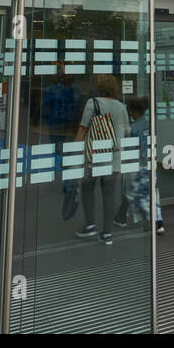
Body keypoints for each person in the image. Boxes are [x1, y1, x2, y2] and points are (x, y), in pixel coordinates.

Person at [74, 73, 130, 246]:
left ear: (100, 87)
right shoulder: (121, 106)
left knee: (87, 187)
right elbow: (127, 131)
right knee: (109, 195)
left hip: (95, 156)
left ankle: (90, 224)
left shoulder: (93, 103)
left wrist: (74, 151)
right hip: (115, 157)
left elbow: (83, 129)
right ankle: (107, 234)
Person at [116, 97, 164, 234]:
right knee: (153, 193)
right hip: (149, 164)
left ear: (131, 111)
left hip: (136, 166)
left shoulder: (131, 128)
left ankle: (151, 223)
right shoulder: (150, 125)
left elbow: (128, 149)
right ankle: (158, 221)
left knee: (134, 194)